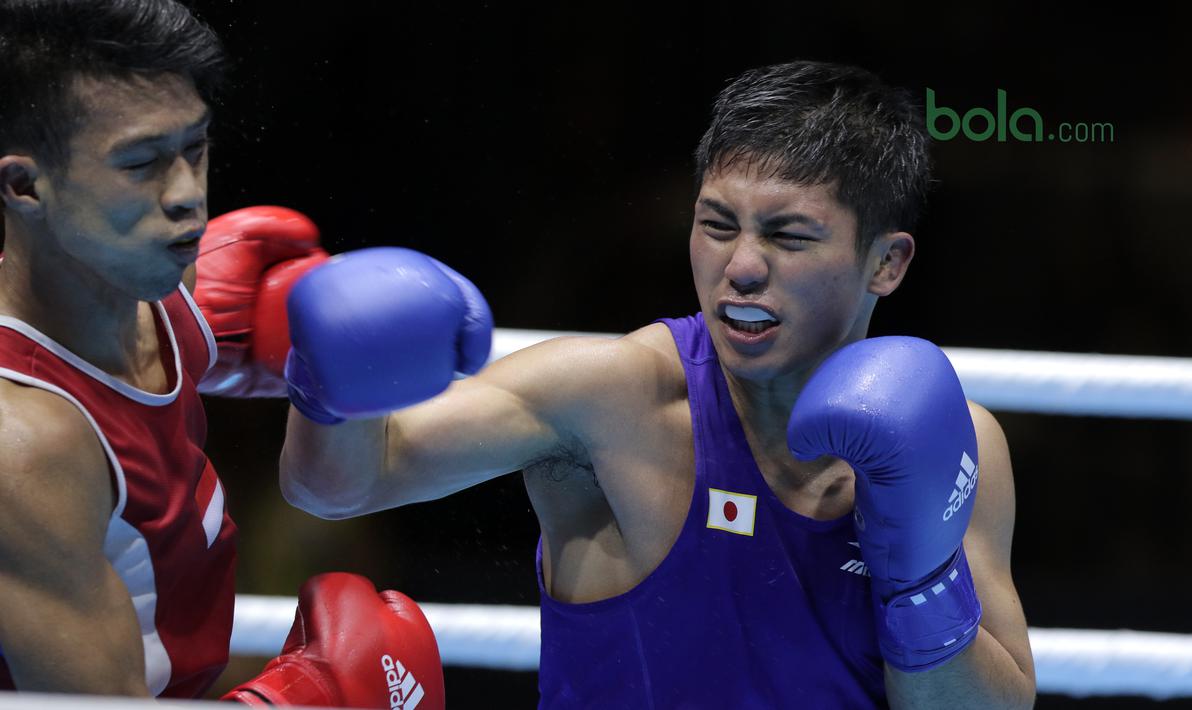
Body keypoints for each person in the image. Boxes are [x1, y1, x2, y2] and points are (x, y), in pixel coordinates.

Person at [279, 61, 1036, 708]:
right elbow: (340, 485)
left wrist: (920, 586)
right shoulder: (612, 396)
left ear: (887, 262)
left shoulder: (959, 445)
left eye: (788, 235)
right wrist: (329, 380)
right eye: (717, 224)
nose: (741, 266)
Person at [0, 1, 444, 705]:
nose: (187, 196)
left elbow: (340, 485)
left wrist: (328, 386)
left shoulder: (165, 304)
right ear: (25, 186)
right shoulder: (25, 448)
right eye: (140, 163)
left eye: (196, 148)